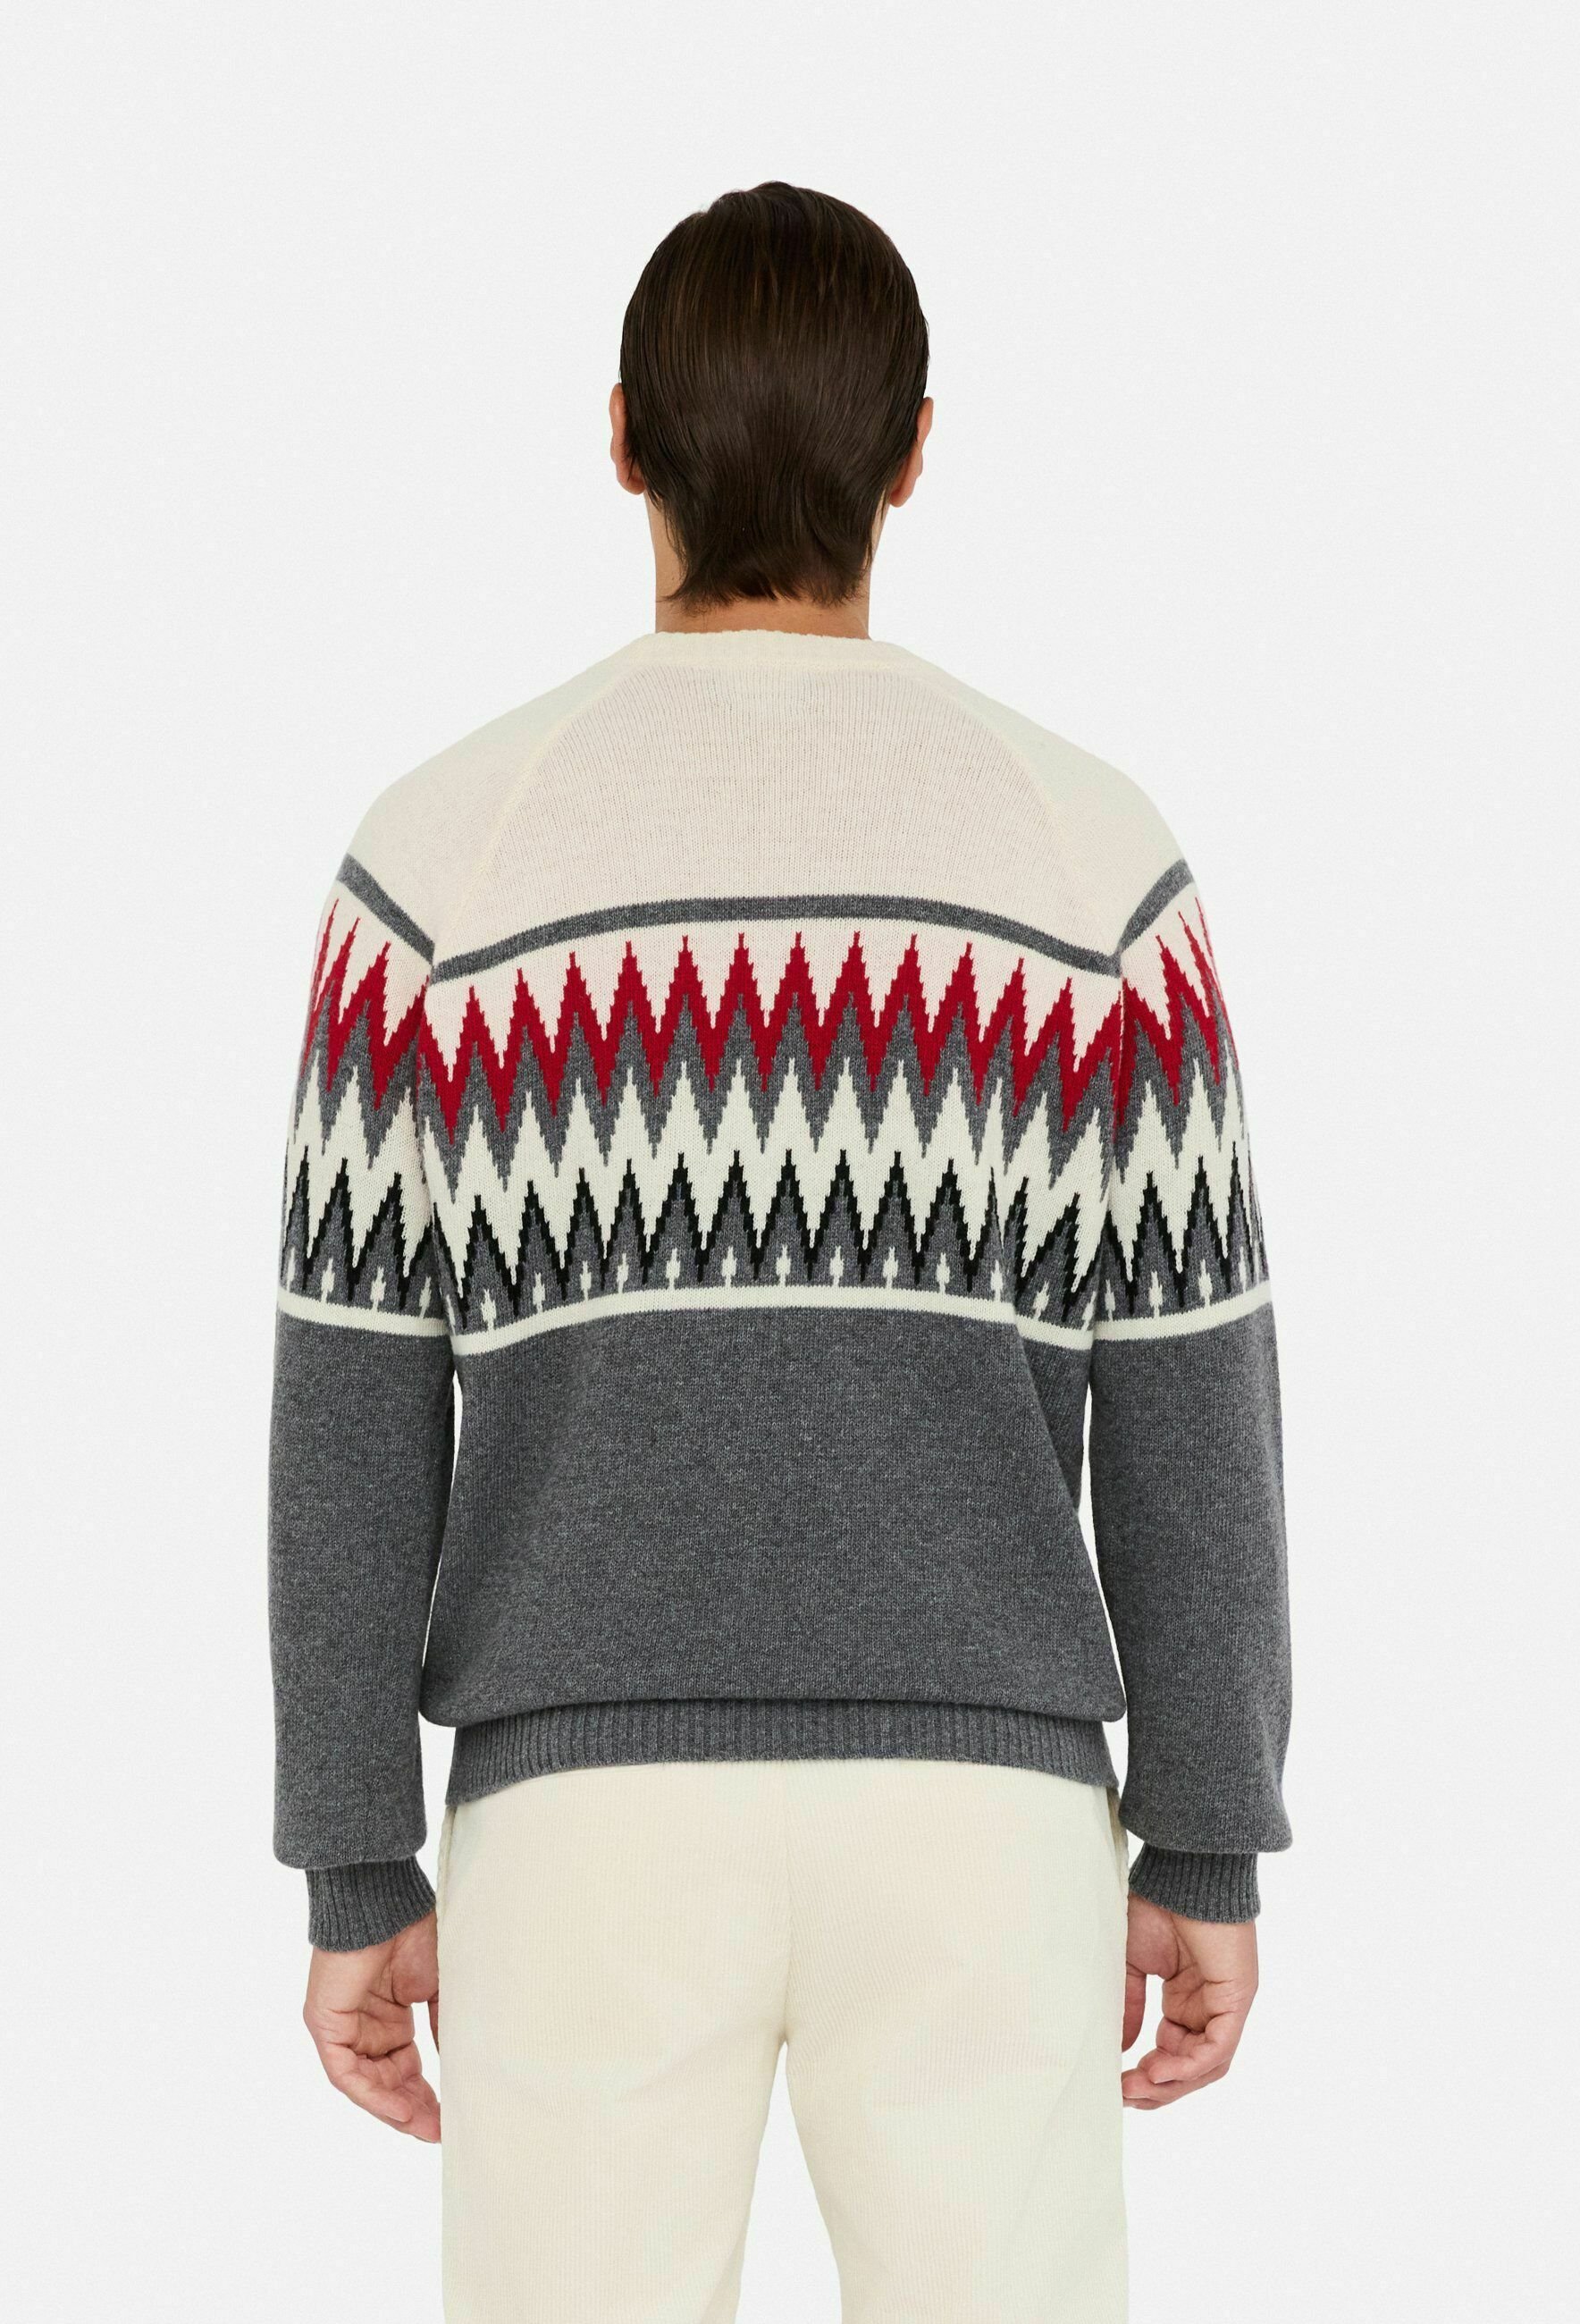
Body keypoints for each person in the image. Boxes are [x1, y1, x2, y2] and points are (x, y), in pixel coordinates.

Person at [269, 181, 1290, 2323]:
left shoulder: (440, 859)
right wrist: (1203, 1824)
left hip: (581, 1825)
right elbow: (1192, 1386)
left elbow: (351, 1396)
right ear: (913, 452)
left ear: (620, 437)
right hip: (984, 1817)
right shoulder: (1092, 858)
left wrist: (358, 1848)